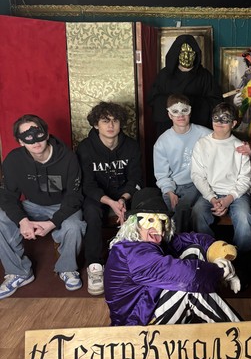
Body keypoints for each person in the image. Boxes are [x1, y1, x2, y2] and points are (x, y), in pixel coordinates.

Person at [104, 187, 241, 326]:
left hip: (149, 301)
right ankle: (242, 334)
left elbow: (193, 239)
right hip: (135, 324)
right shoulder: (131, 253)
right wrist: (221, 271)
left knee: (195, 250)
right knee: (191, 289)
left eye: (163, 221)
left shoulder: (153, 240)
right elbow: (190, 275)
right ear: (134, 223)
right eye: (150, 220)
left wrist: (218, 252)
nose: (159, 228)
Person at [0, 114, 86, 298]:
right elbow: (7, 197)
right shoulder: (14, 160)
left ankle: (67, 268)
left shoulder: (68, 158)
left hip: (63, 205)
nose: (34, 141)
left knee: (74, 226)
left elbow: (74, 197)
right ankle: (19, 272)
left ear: (46, 134)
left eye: (38, 133)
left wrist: (53, 223)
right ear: (20, 141)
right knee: (0, 218)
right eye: (27, 136)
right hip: (32, 205)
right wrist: (22, 220)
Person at [76, 101, 143, 296]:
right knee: (91, 212)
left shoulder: (131, 146)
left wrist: (122, 199)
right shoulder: (85, 148)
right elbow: (87, 185)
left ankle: (138, 262)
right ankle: (95, 266)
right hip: (98, 195)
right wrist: (110, 202)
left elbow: (136, 179)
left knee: (143, 208)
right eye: (105, 121)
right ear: (96, 125)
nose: (111, 125)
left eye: (115, 120)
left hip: (124, 193)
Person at [191, 102, 251, 274]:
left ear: (233, 123)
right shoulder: (202, 144)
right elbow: (197, 175)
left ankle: (240, 264)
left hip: (236, 194)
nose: (219, 122)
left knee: (244, 217)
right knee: (198, 212)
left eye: (225, 119)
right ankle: (209, 257)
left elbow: (245, 178)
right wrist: (212, 198)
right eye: (216, 118)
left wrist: (228, 199)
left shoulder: (239, 146)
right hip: (210, 193)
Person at [153, 93, 212, 233]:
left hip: (200, 183)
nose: (180, 115)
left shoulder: (205, 134)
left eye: (184, 110)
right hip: (175, 186)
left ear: (190, 112)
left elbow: (226, 142)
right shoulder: (162, 142)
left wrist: (245, 148)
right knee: (174, 217)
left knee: (192, 212)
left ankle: (201, 243)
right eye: (175, 111)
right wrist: (169, 191)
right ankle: (179, 243)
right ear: (169, 115)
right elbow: (162, 174)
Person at [148, 34, 222, 136]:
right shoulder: (165, 75)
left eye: (190, 53)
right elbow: (153, 99)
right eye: (183, 53)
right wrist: (174, 102)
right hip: (169, 129)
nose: (186, 56)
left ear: (195, 54)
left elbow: (215, 102)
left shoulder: (204, 76)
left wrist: (191, 102)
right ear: (177, 53)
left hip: (197, 129)